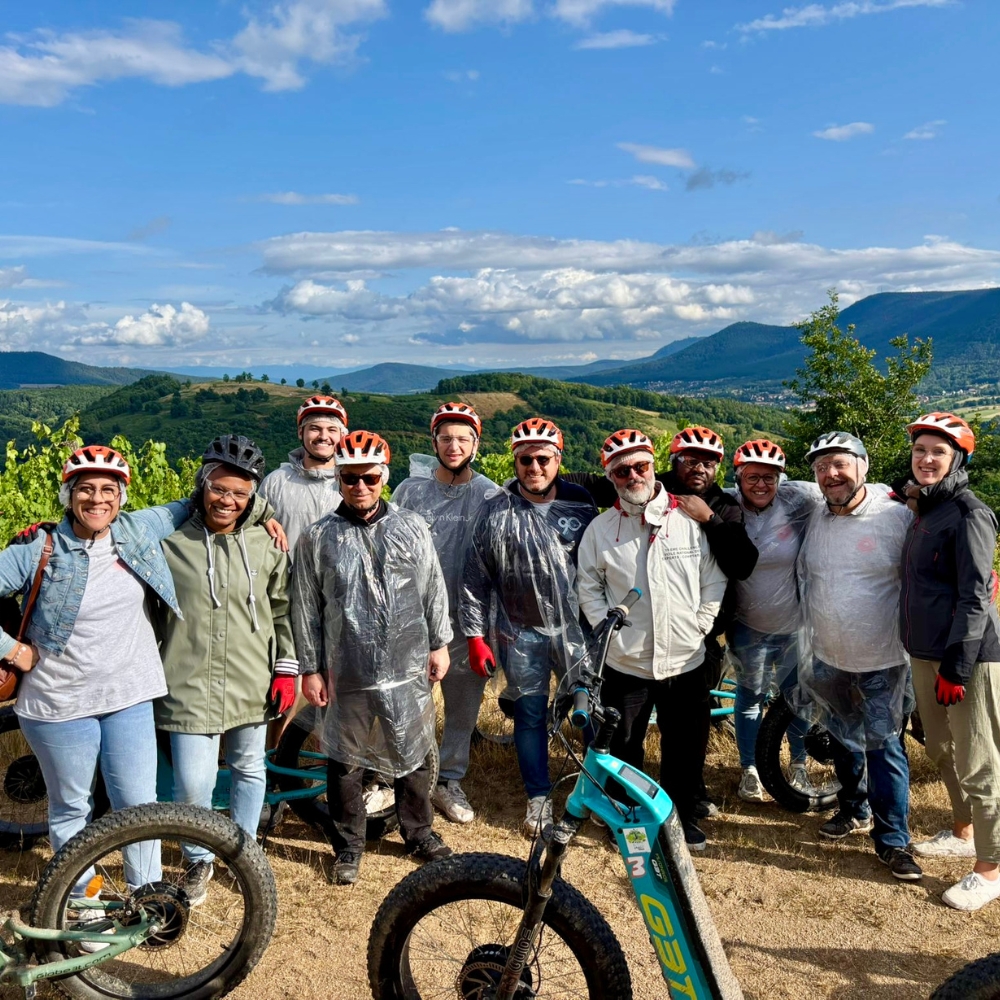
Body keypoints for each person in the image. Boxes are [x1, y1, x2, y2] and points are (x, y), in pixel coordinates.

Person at [0, 446, 193, 929]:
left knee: (139, 807)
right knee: (72, 810)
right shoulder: (38, 549)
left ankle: (148, 903)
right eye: (86, 489)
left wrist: (266, 515)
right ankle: (84, 908)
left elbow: (201, 498)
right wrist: (13, 650)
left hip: (129, 696)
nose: (98, 498)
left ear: (122, 496)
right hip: (59, 703)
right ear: (68, 494)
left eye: (109, 489)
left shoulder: (137, 529)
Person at [565, 425, 757, 817]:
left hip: (686, 658)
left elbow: (713, 579)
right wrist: (608, 632)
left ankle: (680, 817)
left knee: (685, 748)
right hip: (626, 662)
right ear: (610, 477)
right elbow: (588, 587)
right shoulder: (600, 529)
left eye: (640, 467)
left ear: (654, 467)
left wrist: (701, 625)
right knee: (623, 747)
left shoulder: (691, 518)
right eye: (621, 471)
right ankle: (627, 817)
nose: (633, 476)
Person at [292, 430, 453, 885]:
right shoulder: (318, 537)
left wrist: (440, 642)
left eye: (369, 478)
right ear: (339, 480)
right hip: (347, 668)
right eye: (350, 478)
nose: (360, 486)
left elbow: (433, 588)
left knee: (413, 750)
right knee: (345, 761)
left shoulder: (411, 527)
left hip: (406, 665)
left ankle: (419, 834)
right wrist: (310, 668)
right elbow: (305, 607)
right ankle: (349, 845)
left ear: (383, 477)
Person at [153, 435, 297, 905]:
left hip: (251, 677)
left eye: (240, 493)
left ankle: (244, 852)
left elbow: (282, 607)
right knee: (192, 783)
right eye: (219, 488)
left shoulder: (265, 542)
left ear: (252, 496)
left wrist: (286, 668)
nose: (227, 500)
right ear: (202, 484)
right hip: (187, 678)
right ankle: (199, 858)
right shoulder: (171, 542)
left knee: (249, 769)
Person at [461, 417, 597, 837]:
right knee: (530, 714)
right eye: (525, 460)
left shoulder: (580, 503)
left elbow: (601, 563)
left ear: (558, 460)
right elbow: (475, 577)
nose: (534, 467)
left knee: (590, 710)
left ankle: (596, 789)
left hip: (577, 630)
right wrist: (475, 637)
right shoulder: (496, 509)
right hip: (520, 631)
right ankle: (538, 796)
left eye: (543, 459)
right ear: (515, 461)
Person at [794, 431, 921, 881]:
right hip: (828, 656)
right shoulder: (815, 515)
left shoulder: (896, 516)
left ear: (863, 467)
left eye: (840, 464)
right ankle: (854, 809)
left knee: (884, 749)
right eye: (821, 467)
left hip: (883, 659)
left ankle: (893, 841)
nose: (830, 474)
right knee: (844, 741)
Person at [896, 413, 1000, 910]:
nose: (926, 458)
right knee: (940, 747)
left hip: (968, 657)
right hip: (924, 650)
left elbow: (976, 596)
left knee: (979, 761)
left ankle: (991, 867)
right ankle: (962, 830)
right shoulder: (927, 509)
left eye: (938, 451)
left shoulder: (969, 514)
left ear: (958, 459)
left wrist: (957, 668)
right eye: (920, 450)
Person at [392, 402, 497, 825]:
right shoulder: (409, 491)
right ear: (433, 442)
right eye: (446, 438)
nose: (454, 446)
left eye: (463, 439)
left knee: (462, 707)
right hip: (411, 619)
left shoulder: (489, 494)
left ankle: (449, 780)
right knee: (405, 703)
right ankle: (401, 775)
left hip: (466, 620)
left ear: (476, 444)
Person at [726, 439, 817, 802]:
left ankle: (798, 764)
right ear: (739, 478)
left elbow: (848, 491)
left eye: (770, 477)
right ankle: (750, 769)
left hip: (795, 625)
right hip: (748, 625)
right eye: (753, 477)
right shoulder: (726, 505)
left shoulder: (797, 503)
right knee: (750, 696)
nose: (761, 484)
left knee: (798, 698)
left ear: (781, 479)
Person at [259, 395, 347, 556]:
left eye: (332, 430)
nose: (323, 436)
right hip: (285, 572)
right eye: (314, 428)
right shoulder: (275, 482)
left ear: (342, 435)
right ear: (301, 432)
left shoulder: (352, 483)